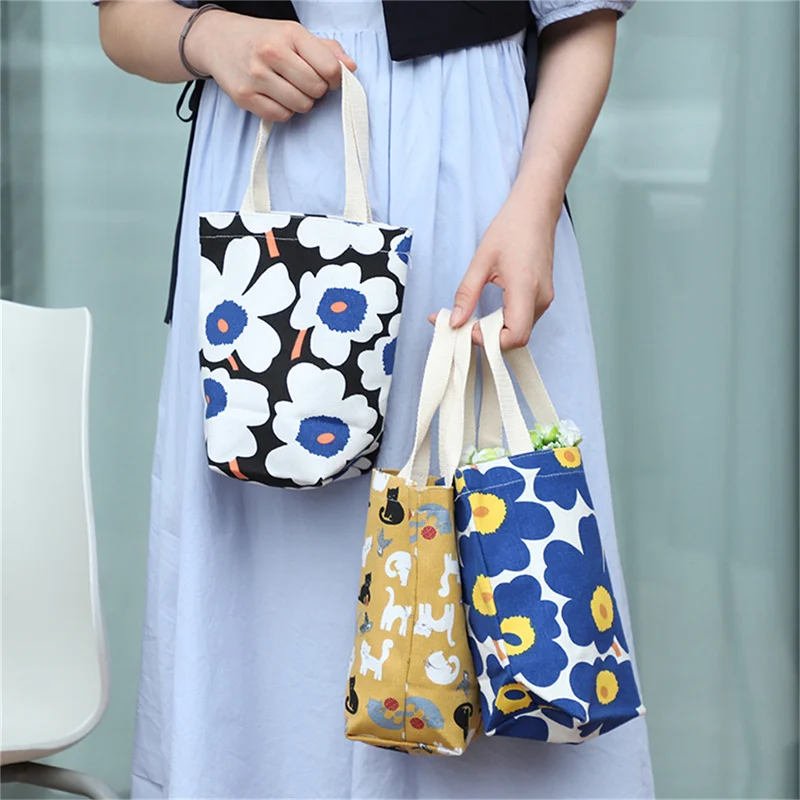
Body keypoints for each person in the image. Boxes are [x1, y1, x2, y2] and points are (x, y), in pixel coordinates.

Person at [97, 1, 654, 796]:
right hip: (267, 214)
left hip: (478, 193)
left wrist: (537, 198)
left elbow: (581, 16)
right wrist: (208, 37)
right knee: (267, 632)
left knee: (495, 547)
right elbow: (124, 17)